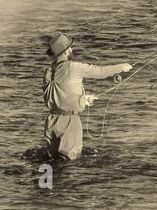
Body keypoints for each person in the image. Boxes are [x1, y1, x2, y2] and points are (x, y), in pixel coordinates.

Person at [41, 33, 131, 161]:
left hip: (51, 122)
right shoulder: (73, 67)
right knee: (70, 164)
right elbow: (100, 71)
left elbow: (59, 93)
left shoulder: (48, 72)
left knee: (53, 163)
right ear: (66, 51)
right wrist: (121, 67)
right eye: (70, 48)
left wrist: (83, 100)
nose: (72, 50)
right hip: (70, 121)